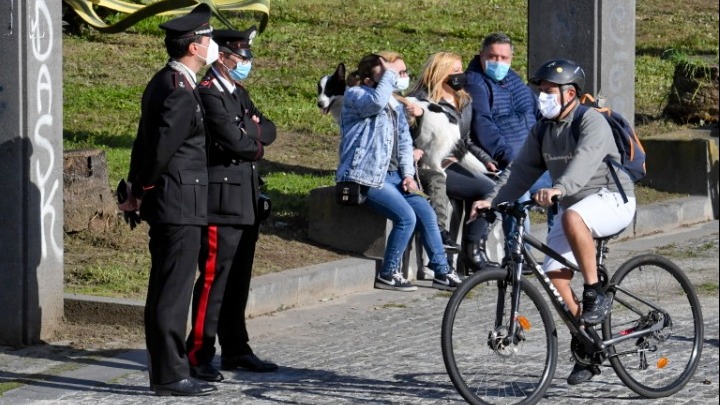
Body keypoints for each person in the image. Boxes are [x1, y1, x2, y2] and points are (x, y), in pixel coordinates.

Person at [470, 58, 636, 385]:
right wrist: (492, 200)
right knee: (554, 278)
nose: (541, 97)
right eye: (540, 91)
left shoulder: (590, 122)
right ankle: (588, 346)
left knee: (573, 216)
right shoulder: (543, 129)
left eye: (548, 91)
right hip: (572, 204)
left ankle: (594, 292)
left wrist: (559, 188)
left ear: (569, 93)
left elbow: (584, 163)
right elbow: (519, 172)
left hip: (613, 198)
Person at [117, 3, 218, 396]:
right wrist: (140, 189)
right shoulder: (177, 89)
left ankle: (169, 370)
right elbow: (159, 148)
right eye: (207, 40)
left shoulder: (169, 82)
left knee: (167, 287)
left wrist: (136, 187)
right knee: (172, 291)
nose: (211, 46)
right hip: (178, 201)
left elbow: (146, 143)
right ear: (193, 47)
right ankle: (170, 373)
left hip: (175, 199)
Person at [183, 28, 279, 383]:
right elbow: (236, 142)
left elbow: (268, 130)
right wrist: (248, 133)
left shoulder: (238, 92)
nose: (245, 65)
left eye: (247, 59)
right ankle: (199, 351)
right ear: (222, 56)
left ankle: (236, 348)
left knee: (238, 279)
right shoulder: (209, 94)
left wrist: (250, 130)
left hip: (246, 199)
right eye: (240, 59)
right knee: (213, 279)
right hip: (220, 201)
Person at [336, 53, 462, 292]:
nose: (400, 78)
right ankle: (389, 272)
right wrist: (389, 74)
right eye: (393, 74)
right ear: (369, 80)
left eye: (402, 73)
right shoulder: (356, 95)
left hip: (395, 176)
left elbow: (404, 142)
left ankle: (442, 272)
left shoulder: (395, 103)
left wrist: (408, 175)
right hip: (367, 176)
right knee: (406, 218)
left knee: (426, 213)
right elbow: (375, 103)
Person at [407, 52, 500, 272]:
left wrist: (486, 161)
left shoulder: (463, 99)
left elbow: (465, 141)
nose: (461, 75)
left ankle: (472, 250)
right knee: (489, 189)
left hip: (456, 160)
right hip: (429, 167)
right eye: (455, 71)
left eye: (461, 70)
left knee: (494, 185)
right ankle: (471, 254)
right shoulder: (418, 101)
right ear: (439, 74)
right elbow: (406, 136)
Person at [465, 32, 554, 258]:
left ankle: (558, 247)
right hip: (507, 162)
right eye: (493, 56)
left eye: (504, 58)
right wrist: (506, 155)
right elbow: (482, 124)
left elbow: (539, 115)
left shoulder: (515, 80)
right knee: (517, 194)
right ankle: (518, 255)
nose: (498, 62)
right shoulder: (475, 82)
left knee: (560, 188)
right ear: (481, 55)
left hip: (534, 160)